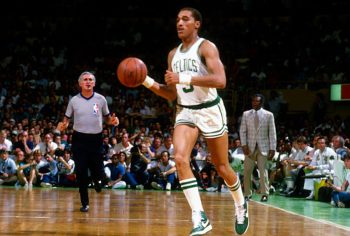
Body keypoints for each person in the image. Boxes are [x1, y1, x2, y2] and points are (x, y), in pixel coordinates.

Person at [140, 7, 248, 235]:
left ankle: (240, 204)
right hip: (186, 110)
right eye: (177, 19)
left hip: (210, 110)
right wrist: (146, 80)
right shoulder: (172, 54)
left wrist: (184, 77)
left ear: (196, 24)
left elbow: (221, 80)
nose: (179, 23)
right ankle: (199, 216)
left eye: (185, 19)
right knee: (179, 158)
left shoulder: (206, 47)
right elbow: (172, 93)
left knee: (221, 167)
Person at [57, 71, 119, 213]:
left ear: (94, 83)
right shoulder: (74, 100)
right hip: (79, 139)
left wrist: (114, 121)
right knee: (81, 172)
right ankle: (85, 202)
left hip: (96, 139)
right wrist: (63, 125)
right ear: (80, 83)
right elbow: (66, 119)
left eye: (91, 79)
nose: (88, 81)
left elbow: (108, 118)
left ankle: (98, 182)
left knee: (98, 170)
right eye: (85, 79)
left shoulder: (101, 99)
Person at [239, 93, 277, 202]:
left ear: (261, 103)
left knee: (263, 172)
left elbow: (272, 133)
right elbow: (242, 131)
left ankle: (265, 193)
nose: (254, 103)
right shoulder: (246, 114)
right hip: (249, 147)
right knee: (247, 171)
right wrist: (244, 144)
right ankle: (247, 194)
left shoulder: (269, 115)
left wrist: (272, 148)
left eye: (257, 101)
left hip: (263, 147)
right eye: (253, 101)